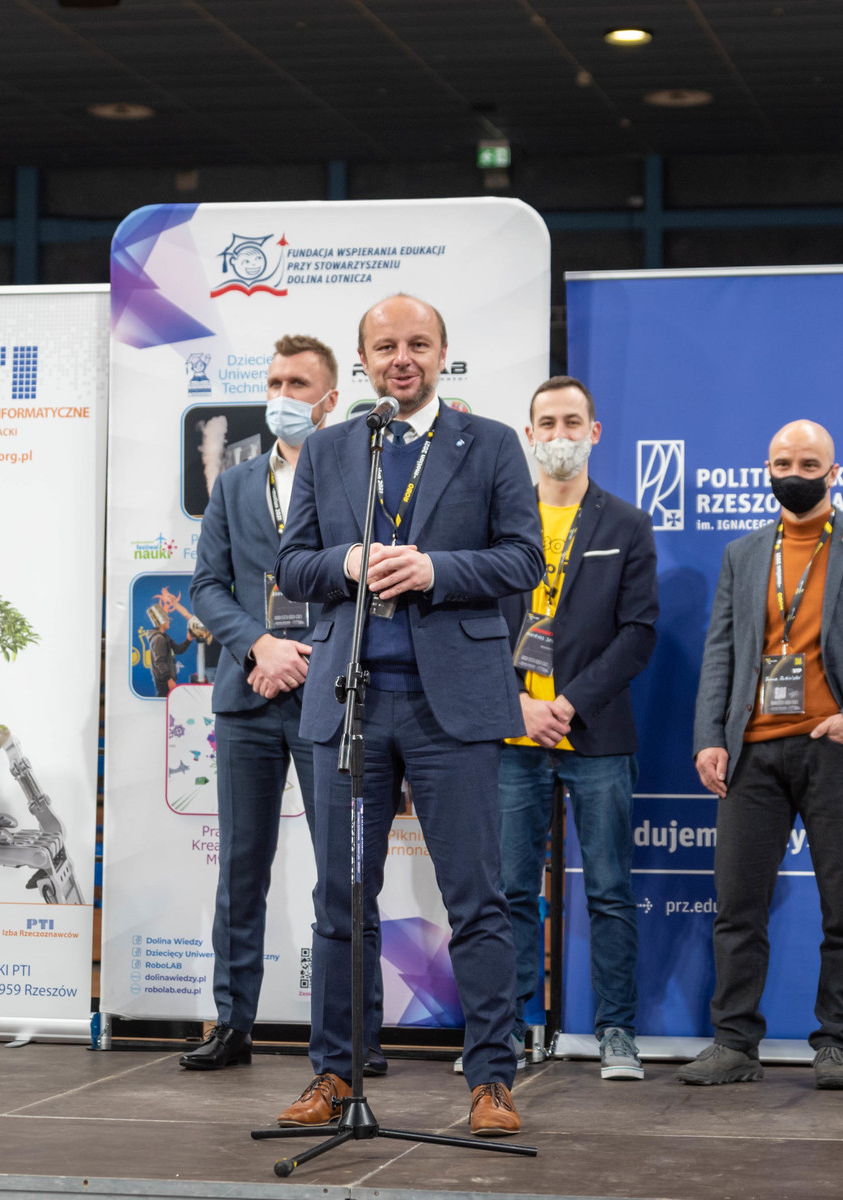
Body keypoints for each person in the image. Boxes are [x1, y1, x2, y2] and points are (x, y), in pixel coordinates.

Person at [274, 294, 543, 1136]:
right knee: (342, 900)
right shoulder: (331, 448)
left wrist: (435, 570)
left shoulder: (489, 443)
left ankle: (491, 1080)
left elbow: (524, 559)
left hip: (449, 708)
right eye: (386, 345)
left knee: (477, 899)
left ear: (441, 354)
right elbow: (292, 564)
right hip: (350, 704)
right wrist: (347, 561)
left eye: (418, 344)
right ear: (362, 360)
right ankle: (335, 1073)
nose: (402, 358)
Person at [680, 419, 843, 1091]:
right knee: (737, 908)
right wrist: (709, 737)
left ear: (833, 473)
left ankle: (836, 1044)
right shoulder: (743, 553)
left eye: (809, 464)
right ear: (767, 468)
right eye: (783, 463)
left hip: (837, 752)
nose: (795, 473)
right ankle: (734, 1044)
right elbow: (721, 652)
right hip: (751, 755)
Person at [182, 333, 383, 1075]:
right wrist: (259, 647)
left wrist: (304, 657)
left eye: (297, 384)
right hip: (248, 697)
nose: (282, 396)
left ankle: (356, 1038)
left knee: (345, 873)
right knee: (240, 868)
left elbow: (368, 582)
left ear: (329, 399)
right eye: (273, 382)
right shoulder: (236, 484)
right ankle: (233, 1023)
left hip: (329, 695)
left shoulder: (360, 479)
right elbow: (207, 586)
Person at [496, 376, 657, 1081]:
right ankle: (506, 1029)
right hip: (512, 738)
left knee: (610, 890)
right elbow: (473, 630)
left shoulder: (626, 524)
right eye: (546, 423)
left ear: (593, 432)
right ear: (528, 434)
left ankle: (616, 1031)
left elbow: (638, 632)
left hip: (594, 736)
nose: (558, 435)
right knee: (509, 891)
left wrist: (570, 703)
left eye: (571, 423)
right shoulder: (500, 525)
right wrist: (518, 705)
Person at [145, 604, 192, 698]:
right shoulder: (159, 638)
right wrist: (169, 680)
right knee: (163, 704)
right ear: (161, 622)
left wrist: (188, 640)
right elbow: (159, 661)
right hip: (164, 682)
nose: (169, 621)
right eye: (167, 620)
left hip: (166, 680)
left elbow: (178, 650)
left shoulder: (164, 637)